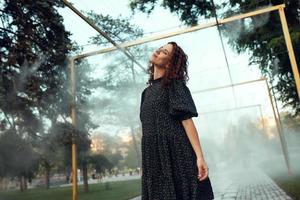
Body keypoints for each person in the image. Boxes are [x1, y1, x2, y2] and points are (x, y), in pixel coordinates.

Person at [139, 41, 214, 199]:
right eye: (160, 48)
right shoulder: (145, 93)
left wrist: (200, 157)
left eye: (164, 52)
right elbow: (146, 129)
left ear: (169, 65)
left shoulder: (174, 86)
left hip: (177, 157)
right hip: (154, 161)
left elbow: (187, 123)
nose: (158, 51)